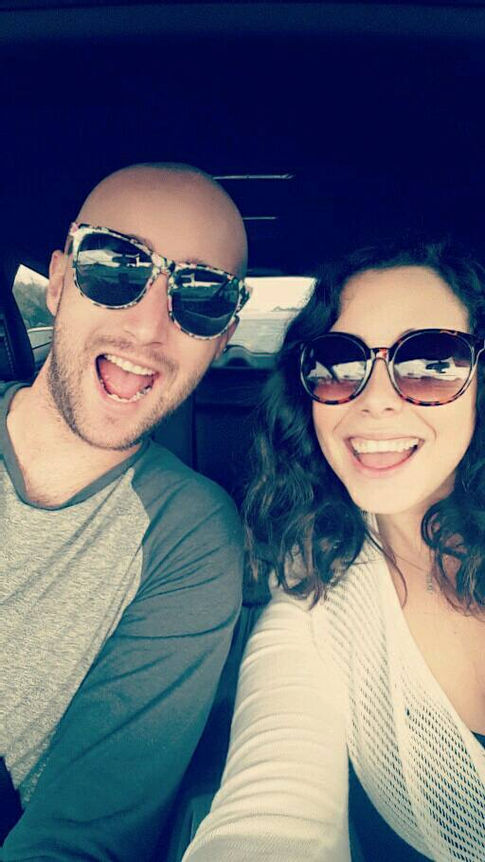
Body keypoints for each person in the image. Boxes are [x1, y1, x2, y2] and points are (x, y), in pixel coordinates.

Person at [183, 239, 485, 861]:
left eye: (431, 362)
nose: (374, 399)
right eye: (339, 363)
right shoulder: (315, 588)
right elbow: (271, 811)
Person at [0, 163, 250, 860]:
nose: (148, 327)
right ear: (58, 282)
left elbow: (78, 840)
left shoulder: (190, 539)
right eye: (115, 267)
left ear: (223, 335)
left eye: (201, 296)